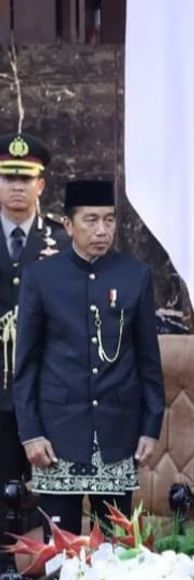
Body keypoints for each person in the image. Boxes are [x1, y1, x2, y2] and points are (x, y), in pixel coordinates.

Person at [13, 179, 165, 536]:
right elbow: (26, 364)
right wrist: (31, 432)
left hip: (117, 430)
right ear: (68, 225)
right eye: (91, 220)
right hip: (57, 432)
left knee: (116, 550)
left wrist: (150, 426)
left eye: (109, 220)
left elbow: (148, 360)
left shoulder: (135, 276)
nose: (102, 230)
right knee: (59, 552)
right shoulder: (41, 277)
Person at [0, 132, 69, 487]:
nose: (17, 186)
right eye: (9, 177)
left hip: (48, 386)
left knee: (50, 502)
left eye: (25, 178)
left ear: (40, 185)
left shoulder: (62, 241)